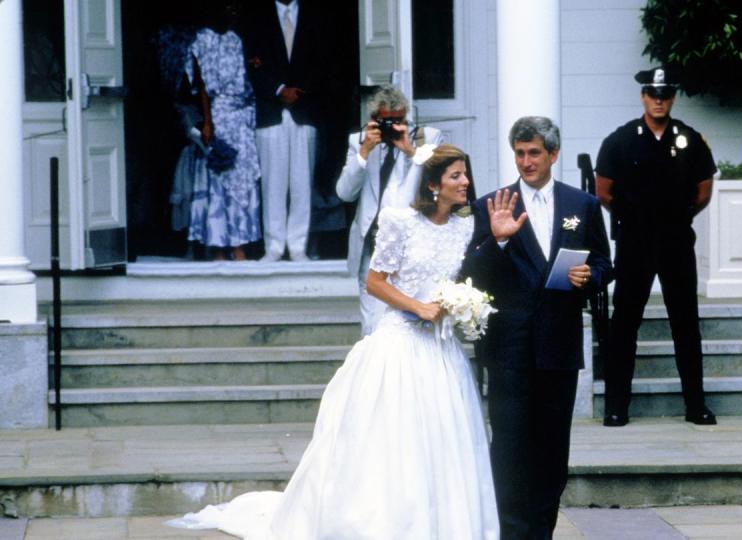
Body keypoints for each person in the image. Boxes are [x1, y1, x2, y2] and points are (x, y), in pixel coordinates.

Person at [166, 144, 499, 539]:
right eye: (456, 176)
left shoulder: (465, 226)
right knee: (397, 443)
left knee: (443, 442)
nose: (465, 183)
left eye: (465, 174)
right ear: (432, 184)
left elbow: (464, 276)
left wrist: (462, 304)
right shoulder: (400, 222)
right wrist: (418, 307)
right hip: (402, 343)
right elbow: (375, 282)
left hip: (443, 351)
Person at [462, 116, 612, 539]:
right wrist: (500, 240)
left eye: (534, 153)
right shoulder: (494, 203)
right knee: (509, 452)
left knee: (550, 455)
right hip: (509, 349)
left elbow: (603, 262)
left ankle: (542, 533)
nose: (526, 162)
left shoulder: (581, 204)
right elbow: (471, 274)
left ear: (553, 155)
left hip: (559, 347)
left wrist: (590, 276)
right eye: (520, 153)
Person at [594, 66, 718, 427]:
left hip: (677, 240)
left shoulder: (690, 139)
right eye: (652, 94)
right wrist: (635, 218)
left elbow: (703, 191)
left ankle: (695, 405)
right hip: (635, 241)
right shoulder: (620, 140)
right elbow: (604, 190)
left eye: (665, 95)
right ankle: (617, 407)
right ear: (643, 96)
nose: (658, 100)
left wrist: (675, 218)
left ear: (674, 97)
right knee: (625, 324)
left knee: (685, 323)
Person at [337, 85, 444, 335]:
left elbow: (438, 186)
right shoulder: (359, 141)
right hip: (374, 248)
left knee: (409, 326)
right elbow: (344, 192)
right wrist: (364, 153)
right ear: (374, 120)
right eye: (387, 121)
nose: (394, 127)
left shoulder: (427, 137)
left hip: (415, 247)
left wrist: (411, 152)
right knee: (372, 327)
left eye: (399, 120)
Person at [242, 0, 326, 262]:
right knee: (272, 183)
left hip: (305, 109)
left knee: (302, 182)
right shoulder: (257, 17)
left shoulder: (314, 15)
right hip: (270, 111)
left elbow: (324, 61)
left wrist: (299, 91)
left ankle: (298, 246)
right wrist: (278, 89)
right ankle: (275, 246)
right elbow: (250, 64)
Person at [185, 1, 262, 261]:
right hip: (217, 118)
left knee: (242, 182)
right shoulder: (201, 40)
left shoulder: (236, 39)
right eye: (225, 6)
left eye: (233, 7)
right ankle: (218, 247)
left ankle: (239, 246)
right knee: (218, 182)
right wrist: (208, 122)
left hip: (241, 120)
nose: (230, 11)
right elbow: (202, 86)